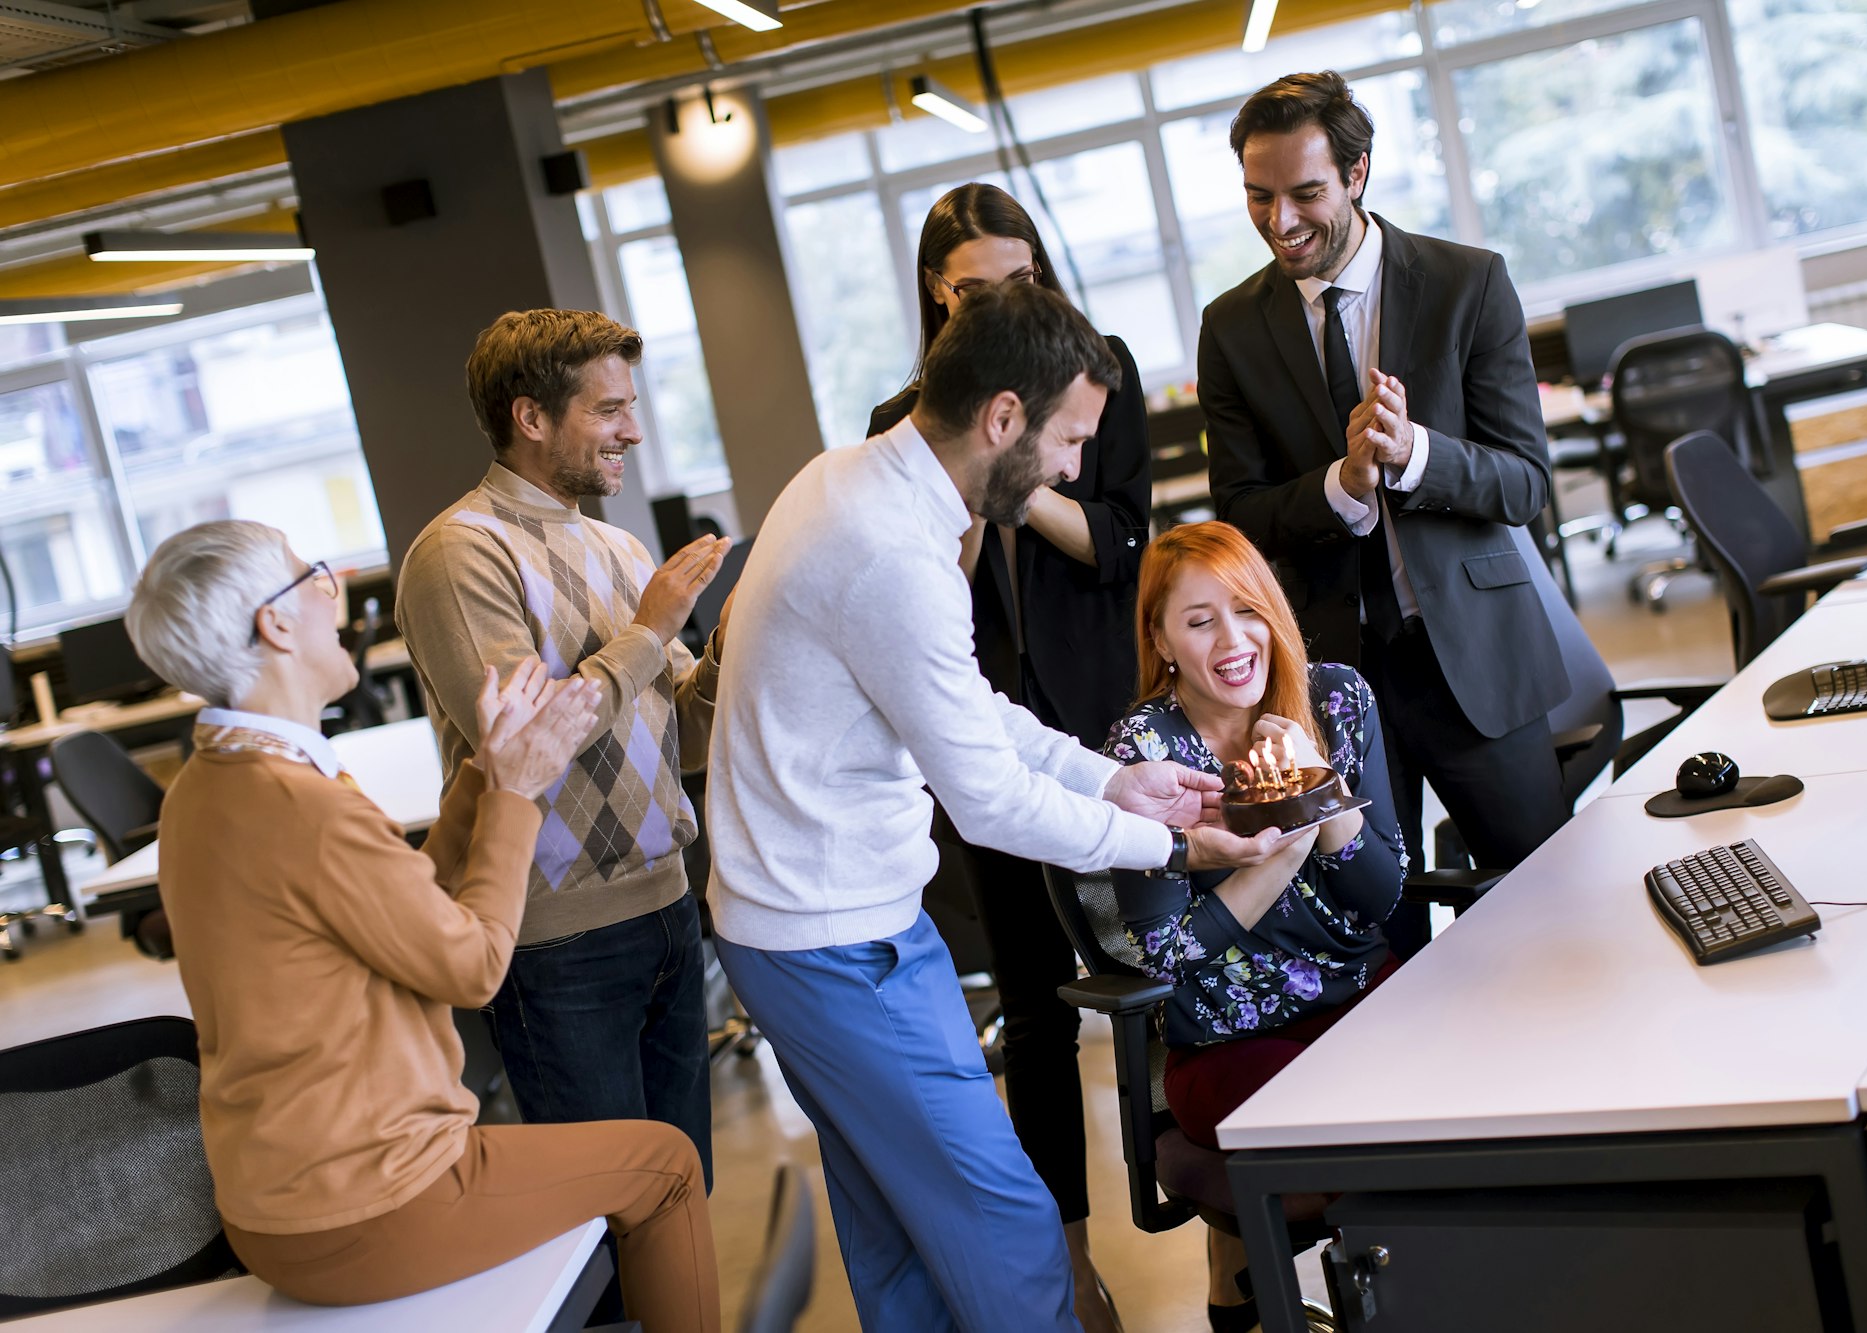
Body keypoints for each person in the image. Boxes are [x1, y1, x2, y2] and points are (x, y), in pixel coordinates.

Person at [705, 282, 1287, 1333]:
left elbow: (966, 708)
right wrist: (1163, 838)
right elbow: (983, 800)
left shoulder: (852, 481)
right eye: (1067, 440)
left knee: (900, 1240)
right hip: (831, 942)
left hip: (838, 922)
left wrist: (1109, 780)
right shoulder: (891, 552)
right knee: (1010, 1229)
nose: (1073, 469)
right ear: (1003, 418)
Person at [129, 520, 719, 1332]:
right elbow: (474, 963)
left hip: (271, 1205)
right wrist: (518, 794)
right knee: (669, 1165)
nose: (333, 596)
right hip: (375, 1202)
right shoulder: (301, 805)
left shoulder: (207, 789)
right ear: (275, 622)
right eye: (317, 578)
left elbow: (412, 894)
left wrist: (488, 769)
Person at [1198, 70, 1569, 952]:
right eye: (1259, 197)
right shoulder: (1232, 328)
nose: (1280, 222)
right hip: (1332, 684)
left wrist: (1416, 455)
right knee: (1378, 941)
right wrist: (1344, 485)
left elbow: (1524, 481)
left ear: (1357, 174)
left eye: (1305, 194)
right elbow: (1241, 517)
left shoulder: (1466, 283)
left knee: (1551, 905)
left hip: (1475, 662)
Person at [867, 182, 1150, 1333]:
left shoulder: (1097, 370)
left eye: (1018, 283)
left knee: (1166, 970)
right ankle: (1068, 1263)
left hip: (1098, 709)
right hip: (976, 738)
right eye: (972, 291)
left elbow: (1118, 546)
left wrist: (1013, 460)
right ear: (937, 299)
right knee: (1035, 1011)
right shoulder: (905, 415)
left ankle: (1229, 1238)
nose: (999, 306)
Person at [397, 309, 730, 1185]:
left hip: (666, 911)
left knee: (683, 1194)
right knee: (609, 1216)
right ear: (531, 417)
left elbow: (683, 733)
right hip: (555, 942)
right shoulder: (459, 553)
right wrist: (653, 629)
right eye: (608, 409)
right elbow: (530, 743)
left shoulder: (619, 546)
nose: (633, 429)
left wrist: (729, 647)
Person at [1101, 520, 1404, 1333]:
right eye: (1199, 621)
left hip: (1360, 999)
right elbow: (1167, 953)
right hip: (1231, 1039)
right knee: (1357, 1138)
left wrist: (1319, 792)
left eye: (1247, 610)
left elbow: (1382, 894)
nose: (1234, 641)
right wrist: (1279, 851)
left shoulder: (1335, 698)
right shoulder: (1147, 749)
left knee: (1451, 1109)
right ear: (1160, 639)